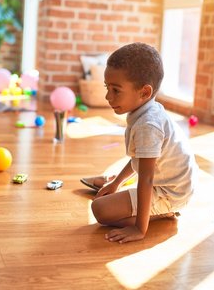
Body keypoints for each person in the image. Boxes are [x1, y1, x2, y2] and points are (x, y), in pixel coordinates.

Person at [81, 42, 198, 244]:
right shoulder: (144, 110)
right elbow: (139, 159)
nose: (108, 96)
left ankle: (162, 213)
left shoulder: (147, 125)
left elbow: (146, 179)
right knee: (104, 202)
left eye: (116, 90)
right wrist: (116, 182)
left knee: (100, 210)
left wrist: (139, 229)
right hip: (171, 185)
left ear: (144, 92)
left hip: (171, 193)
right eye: (107, 88)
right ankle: (159, 212)